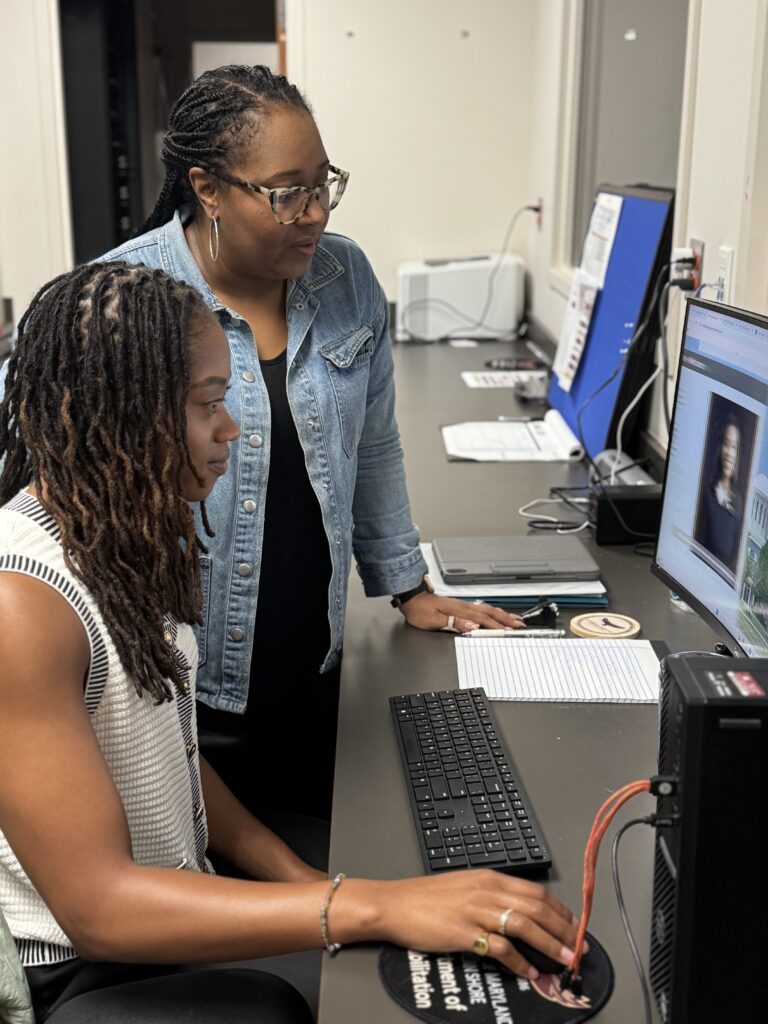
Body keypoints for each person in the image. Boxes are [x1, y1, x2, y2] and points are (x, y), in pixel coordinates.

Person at [0, 263, 582, 1024]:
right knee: (394, 984)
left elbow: (159, 748)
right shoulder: (23, 605)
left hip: (167, 898)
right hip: (92, 969)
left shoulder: (120, 531)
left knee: (405, 923)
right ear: (119, 416)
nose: (231, 429)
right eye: (209, 405)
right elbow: (100, 909)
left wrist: (301, 878)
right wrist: (361, 907)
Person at [98, 64, 523, 822]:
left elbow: (377, 443)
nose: (316, 212)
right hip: (182, 705)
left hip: (316, 678)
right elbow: (48, 495)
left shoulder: (345, 277)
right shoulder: (124, 303)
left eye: (325, 183)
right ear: (207, 189)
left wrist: (407, 583)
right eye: (287, 191)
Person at [694, 415, 744, 573]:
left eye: (734, 447)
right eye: (726, 444)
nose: (729, 453)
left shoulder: (739, 502)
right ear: (719, 447)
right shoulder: (706, 493)